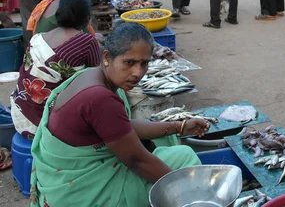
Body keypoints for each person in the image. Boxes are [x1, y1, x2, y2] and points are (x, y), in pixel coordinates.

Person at [29, 22, 208, 206]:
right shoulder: (100, 98)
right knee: (185, 157)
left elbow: (121, 126)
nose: (138, 73)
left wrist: (179, 127)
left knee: (164, 139)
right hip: (80, 193)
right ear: (107, 57)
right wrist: (183, 188)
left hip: (64, 179)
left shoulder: (90, 75)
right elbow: (137, 162)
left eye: (144, 63)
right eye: (129, 62)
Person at [10, 0, 101, 139]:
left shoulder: (37, 38)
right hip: (45, 125)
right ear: (86, 18)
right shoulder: (86, 42)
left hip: (20, 115)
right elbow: (95, 78)